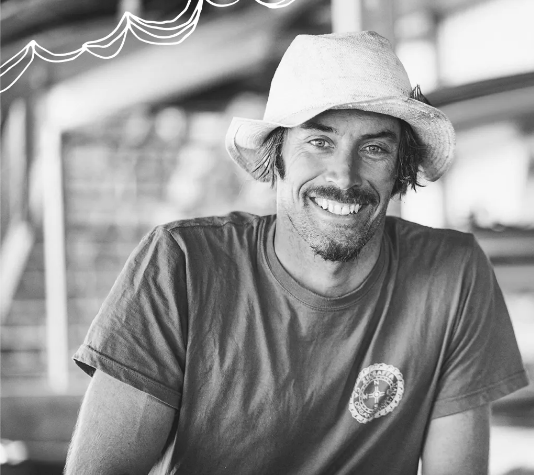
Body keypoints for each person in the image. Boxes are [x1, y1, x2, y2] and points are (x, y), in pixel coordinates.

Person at [65, 31, 528, 475]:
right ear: (278, 154)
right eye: (319, 142)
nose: (344, 176)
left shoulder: (454, 274)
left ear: (399, 170)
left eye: (374, 148)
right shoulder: (181, 264)